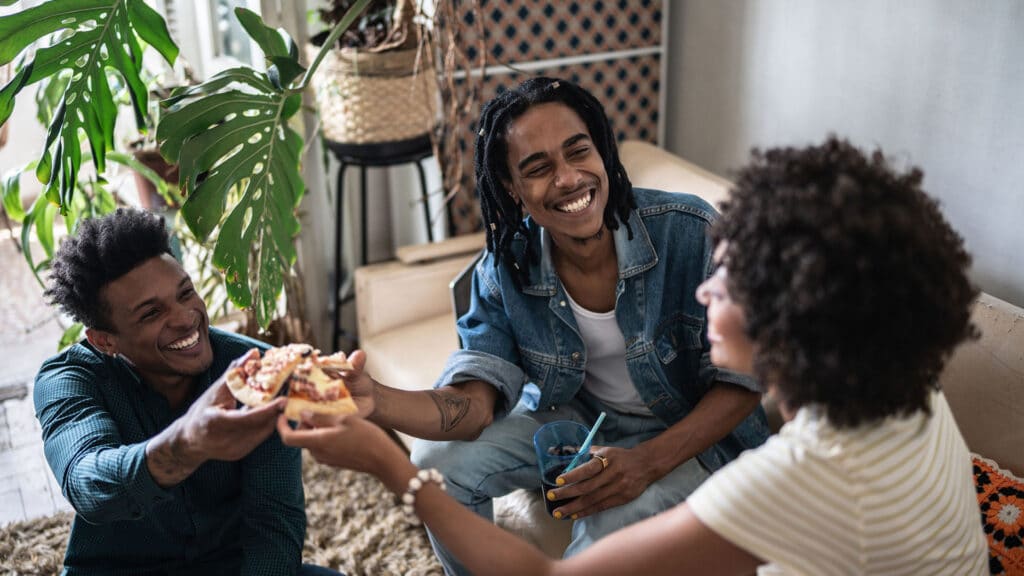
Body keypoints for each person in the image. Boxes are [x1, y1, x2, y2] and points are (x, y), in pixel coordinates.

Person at [279, 136, 989, 575]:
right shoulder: (902, 394)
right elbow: (474, 394)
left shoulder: (798, 479)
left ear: (791, 311)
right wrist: (378, 408)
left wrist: (388, 464)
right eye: (535, 167)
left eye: (731, 275)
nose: (706, 286)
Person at [311, 76, 769, 574]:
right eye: (538, 168)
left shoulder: (690, 232)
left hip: (691, 436)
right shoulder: (507, 267)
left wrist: (647, 463)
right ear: (511, 188)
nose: (569, 178)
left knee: (605, 538)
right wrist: (375, 399)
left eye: (579, 152)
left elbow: (746, 380)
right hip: (582, 421)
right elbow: (470, 408)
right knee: (435, 464)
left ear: (603, 149)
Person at [35, 208, 340, 575]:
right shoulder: (69, 378)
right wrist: (187, 443)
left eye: (185, 293)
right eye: (151, 314)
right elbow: (88, 484)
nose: (185, 318)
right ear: (104, 340)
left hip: (227, 566)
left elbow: (274, 523)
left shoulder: (260, 369)